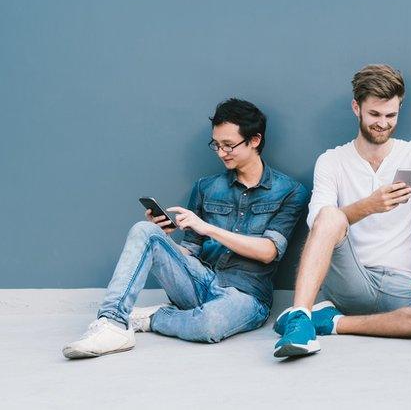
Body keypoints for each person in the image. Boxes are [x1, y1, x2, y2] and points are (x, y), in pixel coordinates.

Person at [63, 98, 309, 358]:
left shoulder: (290, 191)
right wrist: (165, 242)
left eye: (229, 145)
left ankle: (152, 318)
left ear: (255, 140)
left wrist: (208, 228)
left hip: (246, 295)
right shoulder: (206, 187)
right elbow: (190, 252)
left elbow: (268, 252)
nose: (221, 152)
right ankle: (112, 324)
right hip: (199, 280)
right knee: (144, 231)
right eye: (216, 145)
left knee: (209, 325)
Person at [273, 64, 411, 358]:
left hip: (404, 284)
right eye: (374, 114)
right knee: (330, 215)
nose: (383, 123)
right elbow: (319, 223)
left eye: (391, 115)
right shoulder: (332, 161)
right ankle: (299, 318)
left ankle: (332, 323)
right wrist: (367, 207)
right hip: (351, 280)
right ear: (356, 108)